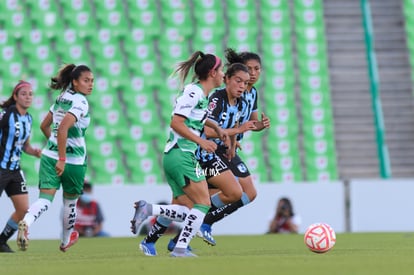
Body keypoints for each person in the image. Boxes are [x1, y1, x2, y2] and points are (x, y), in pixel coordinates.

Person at [130, 51, 228, 257]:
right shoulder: (193, 92)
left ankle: (149, 210)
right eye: (221, 70)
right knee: (203, 204)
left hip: (175, 156)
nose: (223, 74)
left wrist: (217, 128)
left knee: (189, 208)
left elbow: (197, 117)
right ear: (212, 72)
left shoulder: (201, 94)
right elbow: (176, 122)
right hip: (182, 154)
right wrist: (202, 141)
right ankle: (180, 248)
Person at [197, 48, 271, 246]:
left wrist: (259, 126)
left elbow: (250, 124)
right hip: (212, 148)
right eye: (249, 69)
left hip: (228, 146)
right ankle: (200, 223)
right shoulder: (223, 96)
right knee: (231, 193)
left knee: (249, 194)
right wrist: (236, 132)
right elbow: (217, 126)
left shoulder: (251, 93)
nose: (253, 73)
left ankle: (202, 223)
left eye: (257, 69)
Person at [17, 64, 94, 252]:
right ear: (75, 82)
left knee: (44, 199)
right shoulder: (81, 102)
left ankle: (26, 222)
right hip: (72, 161)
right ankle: (65, 240)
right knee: (70, 202)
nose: (90, 85)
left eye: (92, 81)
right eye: (86, 81)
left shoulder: (61, 98)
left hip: (49, 156)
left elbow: (45, 126)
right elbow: (62, 129)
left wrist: (55, 147)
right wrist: (62, 157)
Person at [0, 81, 42, 253]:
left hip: (15, 170)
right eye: (24, 93)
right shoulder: (7, 114)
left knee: (24, 210)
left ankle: (1, 241)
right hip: (1, 167)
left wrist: (34, 151)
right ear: (16, 97)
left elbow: (24, 145)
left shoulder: (29, 118)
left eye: (30, 94)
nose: (28, 97)